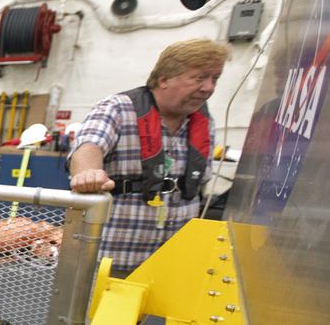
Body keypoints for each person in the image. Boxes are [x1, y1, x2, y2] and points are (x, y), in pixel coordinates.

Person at [68, 38, 229, 275]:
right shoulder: (118, 108)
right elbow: (88, 146)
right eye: (199, 78)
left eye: (215, 78)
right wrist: (88, 173)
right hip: (113, 260)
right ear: (164, 79)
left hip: (172, 262)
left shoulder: (204, 122)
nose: (209, 87)